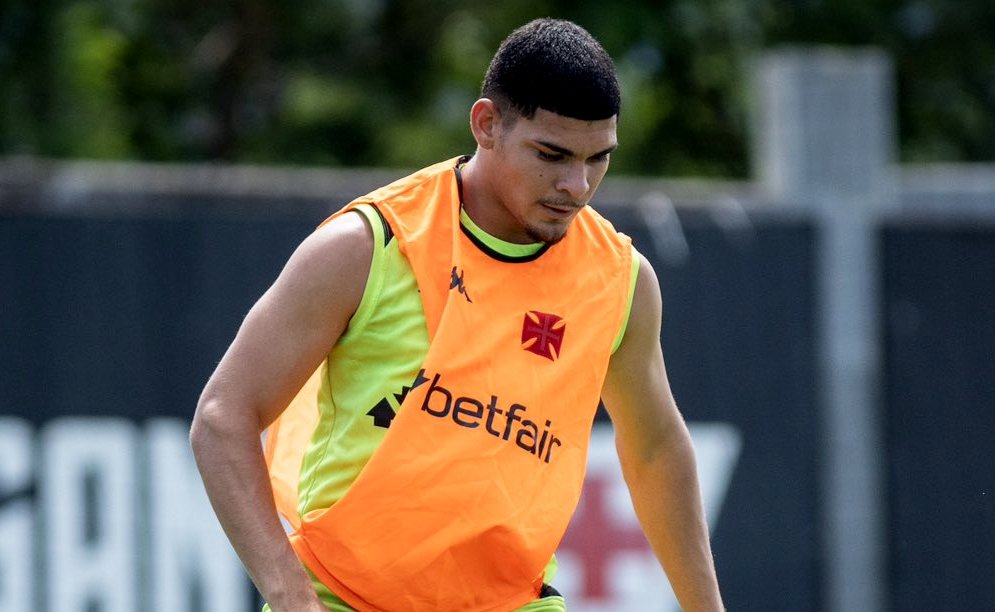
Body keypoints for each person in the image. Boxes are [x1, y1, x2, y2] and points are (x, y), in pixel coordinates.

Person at [191, 17, 725, 612]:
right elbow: (222, 416)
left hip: (513, 601)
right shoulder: (366, 247)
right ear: (486, 124)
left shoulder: (622, 282)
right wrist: (291, 597)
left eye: (598, 159)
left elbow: (655, 449)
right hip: (343, 598)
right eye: (551, 154)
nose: (576, 185)